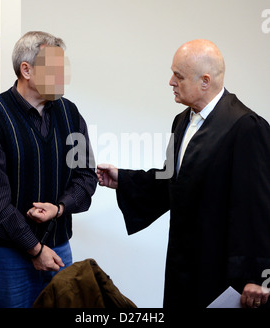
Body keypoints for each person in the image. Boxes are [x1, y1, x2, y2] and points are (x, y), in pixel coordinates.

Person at [97, 39, 270, 308]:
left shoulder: (246, 127)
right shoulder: (182, 121)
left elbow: (258, 206)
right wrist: (123, 179)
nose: (170, 82)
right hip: (182, 264)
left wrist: (259, 275)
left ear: (205, 81)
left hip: (221, 271)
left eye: (178, 76)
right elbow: (173, 180)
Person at [0, 31, 98, 308]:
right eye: (55, 69)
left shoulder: (70, 114)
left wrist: (60, 207)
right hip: (6, 254)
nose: (63, 76)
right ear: (26, 70)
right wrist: (34, 248)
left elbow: (86, 177)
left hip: (59, 246)